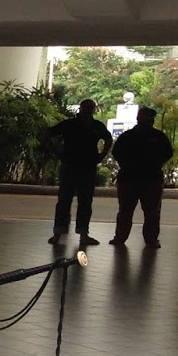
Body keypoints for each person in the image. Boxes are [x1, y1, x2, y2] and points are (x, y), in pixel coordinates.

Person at [46, 99, 113, 246]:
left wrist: (101, 156)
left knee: (85, 202)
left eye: (91, 107)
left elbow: (108, 139)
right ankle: (58, 232)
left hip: (88, 167)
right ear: (80, 108)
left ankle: (83, 234)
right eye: (86, 107)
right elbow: (48, 133)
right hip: (70, 166)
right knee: (64, 200)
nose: (88, 110)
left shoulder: (96, 126)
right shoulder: (69, 124)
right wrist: (57, 152)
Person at [109, 106, 175, 248]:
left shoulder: (131, 136)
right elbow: (117, 153)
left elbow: (116, 153)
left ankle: (136, 238)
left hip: (141, 179)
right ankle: (126, 237)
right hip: (138, 178)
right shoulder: (155, 137)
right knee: (133, 211)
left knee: (145, 212)